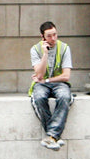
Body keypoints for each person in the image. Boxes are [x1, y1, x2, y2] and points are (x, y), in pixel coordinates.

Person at [28, 21, 71, 150]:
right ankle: (54, 137)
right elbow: (39, 74)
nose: (53, 39)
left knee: (65, 96)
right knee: (39, 98)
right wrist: (45, 54)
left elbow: (66, 76)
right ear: (42, 37)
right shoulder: (35, 50)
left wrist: (47, 81)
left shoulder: (64, 48)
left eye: (55, 35)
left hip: (59, 83)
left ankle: (51, 136)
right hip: (41, 85)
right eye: (49, 36)